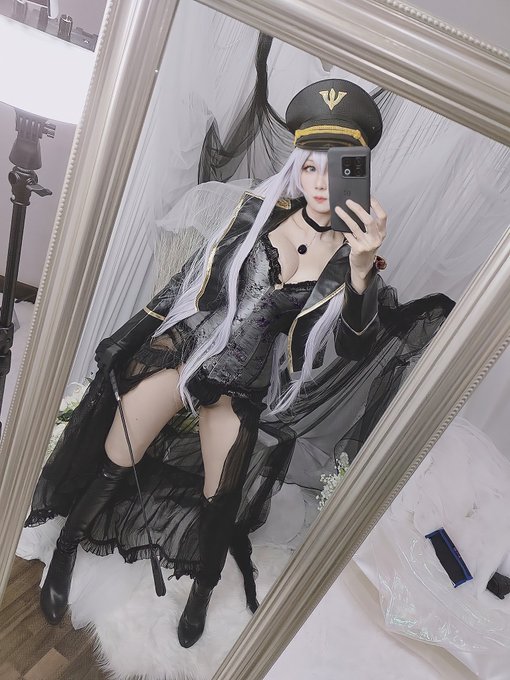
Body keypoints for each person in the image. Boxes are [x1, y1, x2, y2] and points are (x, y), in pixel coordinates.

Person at [24, 79, 452, 648]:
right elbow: (190, 278)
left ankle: (201, 591)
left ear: (357, 173)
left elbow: (353, 346)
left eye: (336, 169)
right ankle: (66, 549)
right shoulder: (258, 214)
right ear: (297, 168)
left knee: (220, 498)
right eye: (310, 167)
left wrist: (362, 266)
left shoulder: (354, 258)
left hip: (240, 384)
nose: (320, 183)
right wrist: (129, 335)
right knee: (116, 456)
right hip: (187, 352)